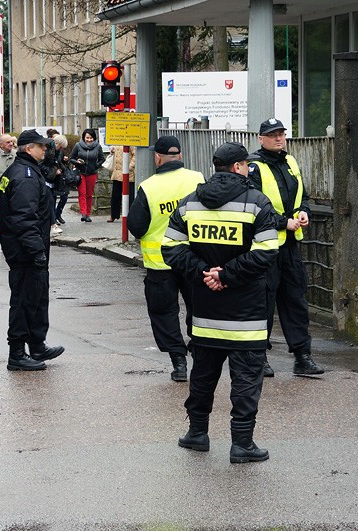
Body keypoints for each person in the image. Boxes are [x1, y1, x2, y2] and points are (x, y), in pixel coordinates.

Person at [162, 141, 279, 463]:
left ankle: (197, 434)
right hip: (248, 314)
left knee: (202, 375)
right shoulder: (256, 203)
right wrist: (226, 275)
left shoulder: (189, 204)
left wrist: (205, 273)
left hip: (205, 311)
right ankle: (242, 444)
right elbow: (267, 253)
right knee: (246, 379)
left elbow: (170, 249)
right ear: (241, 167)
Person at [248, 118, 324, 377]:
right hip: (265, 246)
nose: (279, 138)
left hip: (290, 244)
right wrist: (284, 222)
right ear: (261, 139)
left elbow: (302, 194)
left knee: (295, 300)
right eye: (272, 135)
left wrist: (303, 212)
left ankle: (303, 356)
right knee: (264, 302)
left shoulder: (290, 161)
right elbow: (254, 208)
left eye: (281, 134)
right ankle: (259, 357)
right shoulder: (254, 168)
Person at [128, 135, 205, 382]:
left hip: (160, 263)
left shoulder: (149, 187)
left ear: (157, 158)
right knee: (200, 307)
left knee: (164, 313)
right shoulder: (198, 179)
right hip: (195, 259)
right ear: (180, 156)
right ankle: (201, 353)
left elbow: (137, 226)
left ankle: (178, 361)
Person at [0, 129, 64, 371]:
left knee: (37, 297)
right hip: (25, 249)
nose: (45, 149)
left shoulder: (26, 171)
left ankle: (37, 345)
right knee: (25, 300)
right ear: (28, 149)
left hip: (28, 247)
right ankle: (17, 353)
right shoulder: (24, 176)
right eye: (41, 146)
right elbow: (24, 219)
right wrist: (37, 251)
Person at [70, 128, 105, 222]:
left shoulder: (97, 146)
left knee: (89, 194)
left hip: (92, 173)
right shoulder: (78, 145)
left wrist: (96, 166)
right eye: (87, 138)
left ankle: (88, 214)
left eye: (91, 138)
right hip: (80, 173)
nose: (89, 140)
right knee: (82, 193)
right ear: (84, 137)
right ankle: (83, 213)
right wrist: (77, 162)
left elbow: (102, 158)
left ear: (94, 138)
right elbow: (71, 158)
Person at [108, 145, 136, 222]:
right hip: (117, 172)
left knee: (130, 196)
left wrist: (130, 166)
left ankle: (131, 216)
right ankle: (113, 215)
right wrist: (113, 151)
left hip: (128, 173)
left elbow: (135, 154)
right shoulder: (118, 139)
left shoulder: (130, 141)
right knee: (115, 195)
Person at [51, 135, 71, 227]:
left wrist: (65, 161)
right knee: (53, 198)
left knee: (64, 196)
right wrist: (55, 171)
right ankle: (53, 217)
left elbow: (60, 162)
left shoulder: (60, 151)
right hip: (54, 177)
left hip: (61, 176)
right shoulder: (50, 151)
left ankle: (58, 214)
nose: (61, 148)